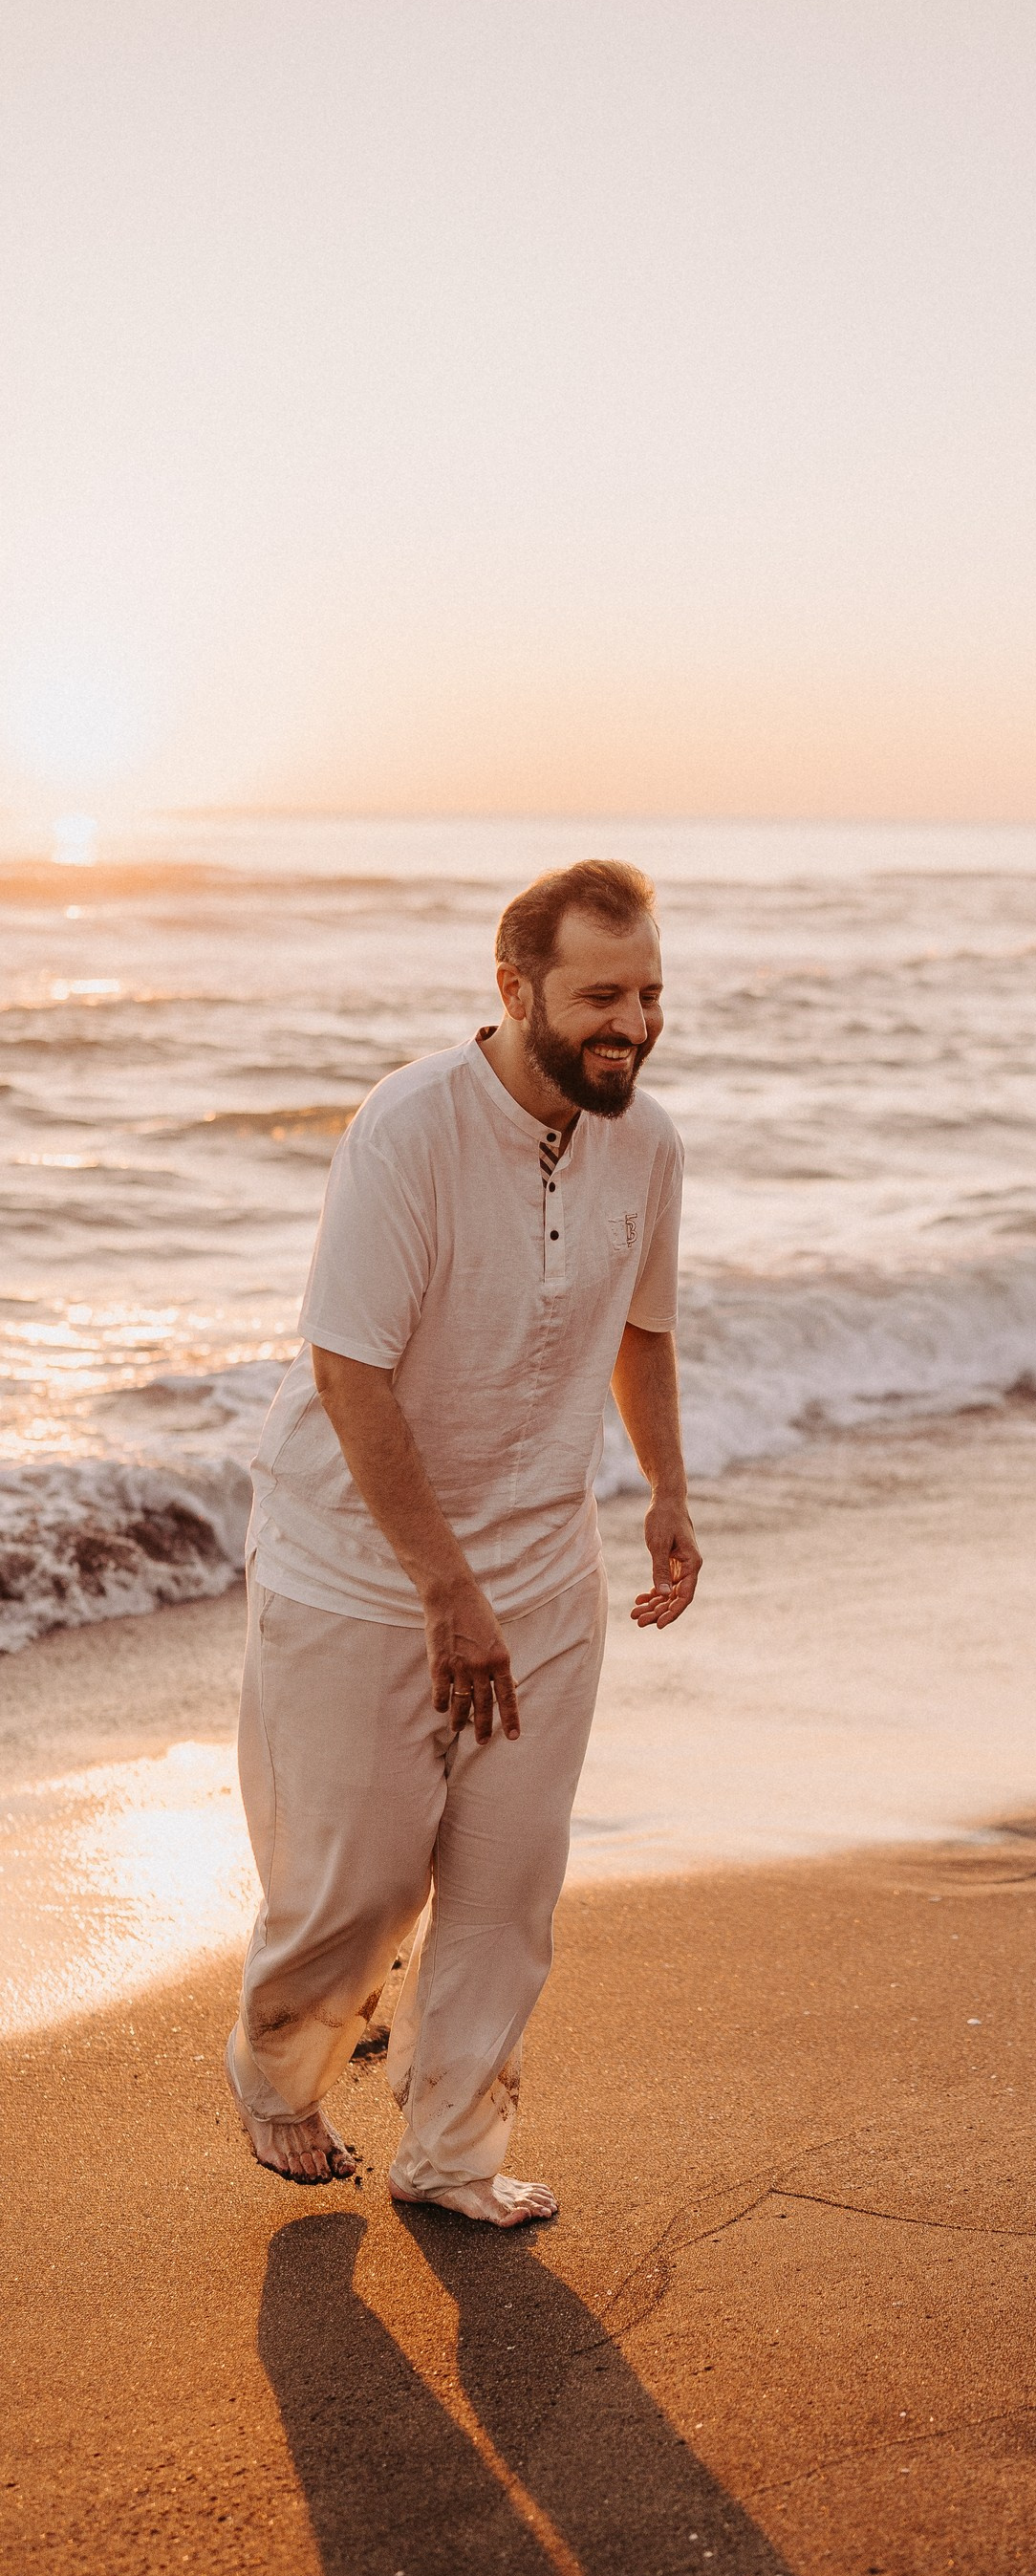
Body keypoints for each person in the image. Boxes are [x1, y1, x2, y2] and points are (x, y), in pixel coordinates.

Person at [226, 857, 701, 2228]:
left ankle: (450, 2153)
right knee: (357, 1885)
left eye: (651, 994)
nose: (633, 1023)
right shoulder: (409, 1129)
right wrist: (444, 1587)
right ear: (516, 990)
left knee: (506, 1886)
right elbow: (348, 1372)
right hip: (358, 1565)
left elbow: (644, 1327)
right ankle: (276, 2073)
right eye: (601, 995)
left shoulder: (649, 1142)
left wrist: (665, 1491)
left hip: (547, 1561)